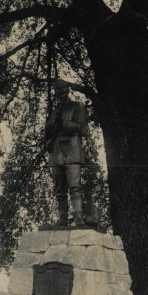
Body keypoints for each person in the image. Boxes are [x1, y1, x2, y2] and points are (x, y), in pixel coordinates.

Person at [45, 79, 88, 226]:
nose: (60, 92)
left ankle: (78, 217)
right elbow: (47, 133)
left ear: (68, 89)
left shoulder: (77, 107)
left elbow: (82, 129)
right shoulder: (53, 111)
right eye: (57, 89)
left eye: (62, 88)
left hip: (72, 151)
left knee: (75, 186)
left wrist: (63, 123)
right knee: (59, 188)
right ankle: (63, 218)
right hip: (56, 153)